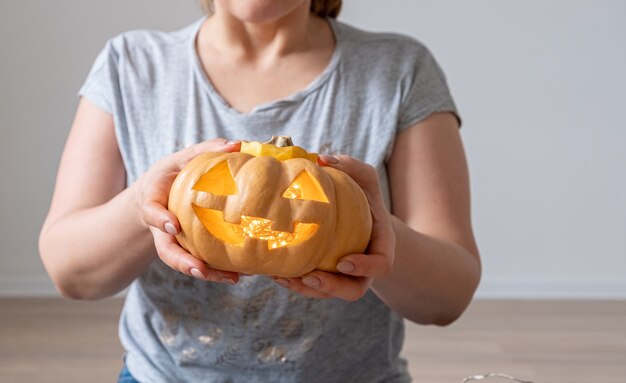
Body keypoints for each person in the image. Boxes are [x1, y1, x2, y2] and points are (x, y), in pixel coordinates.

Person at [39, 0, 481, 381]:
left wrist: (377, 232)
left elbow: (448, 299)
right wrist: (142, 206)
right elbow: (71, 273)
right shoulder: (130, 64)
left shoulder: (400, 70)